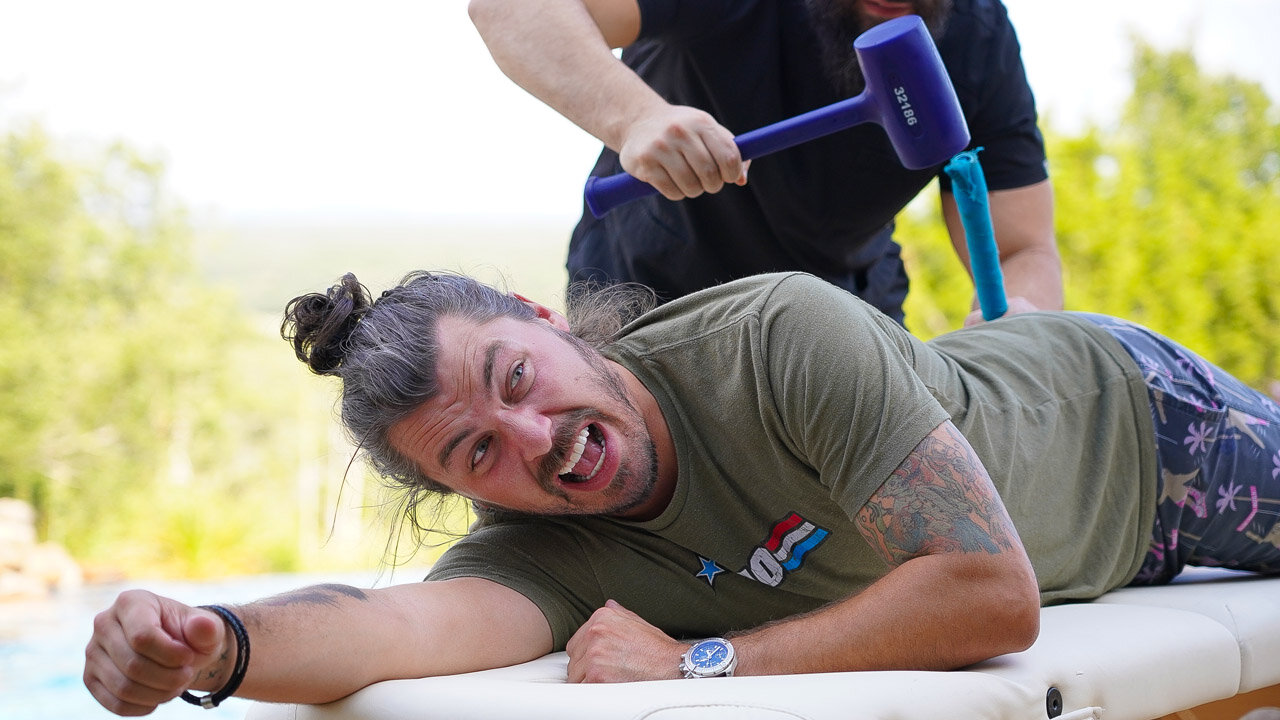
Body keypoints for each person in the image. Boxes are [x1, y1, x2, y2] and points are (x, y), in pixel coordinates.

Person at [84, 270, 1279, 716]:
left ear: (543, 320)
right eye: (479, 454)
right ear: (459, 496)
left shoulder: (774, 338)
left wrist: (701, 664)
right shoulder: (544, 556)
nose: (537, 439)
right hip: (1112, 554)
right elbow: (388, 626)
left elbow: (985, 595)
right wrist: (210, 648)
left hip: (1133, 425)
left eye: (516, 379)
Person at [467, 0, 1063, 325]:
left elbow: (1023, 250)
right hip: (652, 298)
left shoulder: (982, 42)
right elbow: (508, 7)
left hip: (842, 317)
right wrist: (635, 117)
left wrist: (1013, 320)